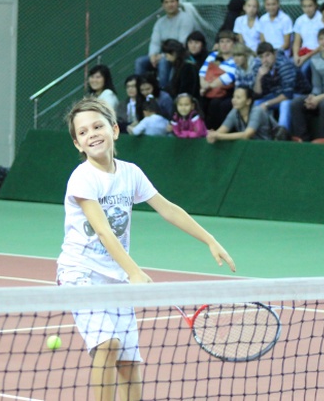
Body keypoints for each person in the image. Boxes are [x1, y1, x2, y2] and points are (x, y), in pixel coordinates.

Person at [58, 98, 236, 401]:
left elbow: (168, 209)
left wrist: (210, 239)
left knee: (128, 362)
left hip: (116, 277)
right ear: (78, 144)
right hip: (80, 273)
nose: (93, 134)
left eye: (98, 126)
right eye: (84, 132)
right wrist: (134, 272)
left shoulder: (130, 173)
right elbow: (103, 231)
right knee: (108, 345)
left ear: (115, 130)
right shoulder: (83, 177)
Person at [135, 0, 198, 89]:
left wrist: (163, 55)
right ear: (163, 5)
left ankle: (163, 91)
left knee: (164, 61)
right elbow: (155, 42)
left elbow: (182, 43)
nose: (170, 5)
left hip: (179, 56)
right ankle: (139, 91)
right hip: (162, 55)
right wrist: (152, 55)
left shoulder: (186, 19)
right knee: (140, 61)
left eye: (172, 1)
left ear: (177, 3)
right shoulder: (160, 22)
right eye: (166, 2)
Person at [252, 42, 298, 129]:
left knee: (285, 104)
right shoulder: (258, 67)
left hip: (297, 94)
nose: (265, 60)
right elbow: (257, 94)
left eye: (267, 55)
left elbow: (288, 94)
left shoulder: (284, 65)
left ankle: (282, 133)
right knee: (256, 104)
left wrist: (266, 104)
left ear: (275, 54)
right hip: (276, 95)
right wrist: (259, 77)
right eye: (261, 57)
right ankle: (260, 133)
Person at [199, 30, 238, 129]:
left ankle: (216, 131)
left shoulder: (236, 58)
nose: (224, 44)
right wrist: (204, 85)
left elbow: (230, 76)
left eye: (228, 41)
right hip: (208, 89)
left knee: (215, 104)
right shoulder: (213, 55)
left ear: (234, 44)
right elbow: (202, 73)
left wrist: (208, 87)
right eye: (222, 41)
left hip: (227, 91)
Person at [206, 87, 274, 142]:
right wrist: (212, 134)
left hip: (271, 144)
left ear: (248, 101)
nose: (234, 100)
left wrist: (219, 136)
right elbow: (221, 130)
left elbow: (247, 135)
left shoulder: (257, 111)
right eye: (233, 97)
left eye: (238, 98)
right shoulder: (234, 111)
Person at [292, 0, 324, 81]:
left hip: (317, 53)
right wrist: (295, 56)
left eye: (310, 6)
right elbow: (296, 42)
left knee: (304, 69)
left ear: (315, 5)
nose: (307, 9)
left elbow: (323, 45)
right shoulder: (300, 20)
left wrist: (305, 57)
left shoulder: (322, 19)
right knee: (289, 66)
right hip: (303, 53)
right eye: (304, 6)